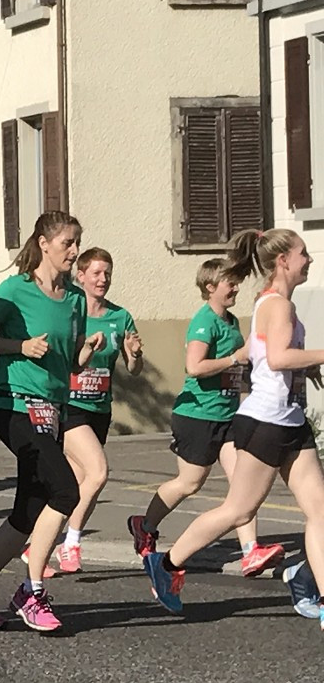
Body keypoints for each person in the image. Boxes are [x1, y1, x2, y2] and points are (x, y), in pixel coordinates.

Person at [144, 228, 324, 620]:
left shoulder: (275, 304)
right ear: (283, 261)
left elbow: (271, 359)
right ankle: (168, 564)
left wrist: (307, 368)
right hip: (265, 422)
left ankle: (308, 583)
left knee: (320, 512)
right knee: (238, 512)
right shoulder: (277, 305)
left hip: (290, 420)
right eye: (303, 254)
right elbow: (277, 358)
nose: (308, 260)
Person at [0, 212, 102, 633]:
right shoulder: (15, 290)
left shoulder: (74, 299)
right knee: (66, 490)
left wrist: (86, 352)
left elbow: (68, 361)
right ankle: (30, 591)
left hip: (52, 409)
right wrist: (20, 345)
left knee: (28, 509)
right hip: (15, 405)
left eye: (77, 242)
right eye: (68, 243)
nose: (74, 251)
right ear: (44, 244)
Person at [127, 258, 285, 577]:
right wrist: (233, 358)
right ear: (211, 287)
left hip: (228, 417)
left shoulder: (230, 321)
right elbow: (194, 367)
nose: (235, 288)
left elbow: (237, 370)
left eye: (237, 282)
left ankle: (250, 551)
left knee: (243, 483)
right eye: (230, 283)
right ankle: (144, 524)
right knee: (190, 482)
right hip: (197, 416)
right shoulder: (204, 321)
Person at [47, 248, 143, 573]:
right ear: (81, 276)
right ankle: (71, 543)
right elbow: (65, 360)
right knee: (99, 473)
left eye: (108, 273)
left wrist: (134, 353)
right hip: (69, 406)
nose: (103, 280)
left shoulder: (121, 316)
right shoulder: (72, 314)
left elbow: (134, 369)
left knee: (74, 488)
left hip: (99, 408)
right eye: (97, 273)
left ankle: (37, 547)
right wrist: (86, 346)